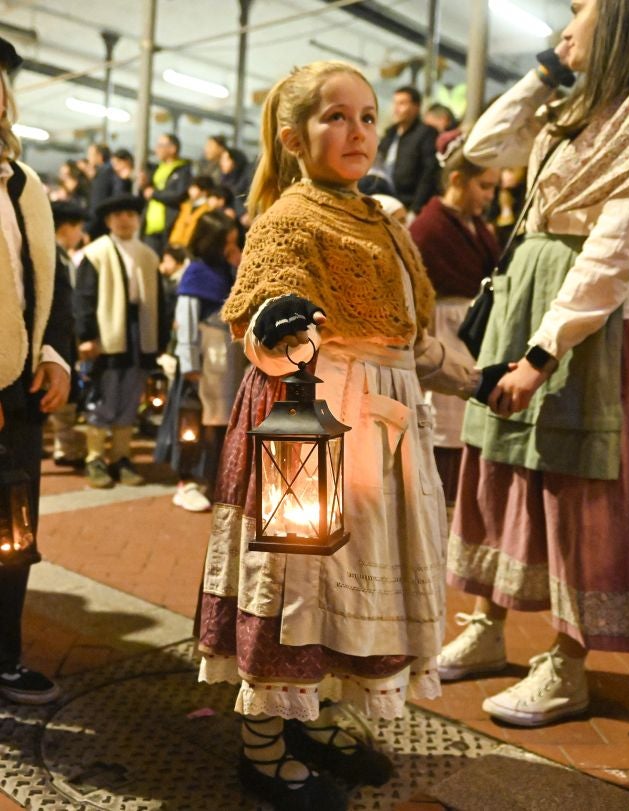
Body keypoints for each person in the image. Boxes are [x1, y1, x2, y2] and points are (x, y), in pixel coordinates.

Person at [193, 61, 478, 810]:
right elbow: (260, 302)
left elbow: (410, 333)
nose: (357, 131)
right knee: (298, 581)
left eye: (368, 116)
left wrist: (478, 372)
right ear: (294, 136)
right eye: (335, 117)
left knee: (349, 582)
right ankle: (263, 746)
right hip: (309, 413)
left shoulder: (382, 217)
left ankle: (306, 720)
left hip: (383, 418)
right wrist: (278, 320)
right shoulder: (289, 215)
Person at [439, 0, 629, 727]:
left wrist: (541, 352)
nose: (569, 18)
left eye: (583, 6)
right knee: (502, 464)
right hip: (532, 291)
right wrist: (544, 73)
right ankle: (486, 622)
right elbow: (483, 150)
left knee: (576, 485)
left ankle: (567, 659)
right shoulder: (579, 97)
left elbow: (618, 246)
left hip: (600, 317)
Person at [0, 35, 72, 704]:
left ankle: (3, 653)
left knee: (12, 533)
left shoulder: (25, 184)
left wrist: (53, 354)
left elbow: (47, 282)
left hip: (15, 395)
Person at [409, 130, 500, 499]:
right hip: (442, 330)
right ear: (458, 179)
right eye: (484, 186)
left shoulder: (476, 226)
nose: (490, 196)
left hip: (473, 329)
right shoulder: (428, 228)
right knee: (446, 421)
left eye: (494, 187)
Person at [74, 195, 165, 489]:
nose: (124, 219)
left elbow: (160, 304)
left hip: (140, 332)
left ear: (138, 219)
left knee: (130, 397)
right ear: (108, 221)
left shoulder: (148, 255)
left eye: (130, 214)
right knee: (104, 397)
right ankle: (96, 458)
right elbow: (84, 299)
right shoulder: (95, 252)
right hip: (108, 333)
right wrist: (87, 336)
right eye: (118, 215)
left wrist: (160, 341)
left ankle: (122, 458)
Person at [155, 211, 243, 513]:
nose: (231, 248)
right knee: (192, 421)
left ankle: (212, 478)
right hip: (201, 363)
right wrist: (190, 362)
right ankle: (187, 480)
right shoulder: (197, 273)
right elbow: (187, 321)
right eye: (226, 243)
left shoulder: (227, 270)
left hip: (226, 361)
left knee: (216, 423)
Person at [48, 201, 88, 468]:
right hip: (55, 337)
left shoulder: (59, 254)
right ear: (66, 228)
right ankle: (64, 446)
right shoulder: (56, 256)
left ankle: (61, 444)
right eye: (78, 229)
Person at [376, 85, 439, 214]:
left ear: (416, 107)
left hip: (408, 202)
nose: (396, 109)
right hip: (384, 199)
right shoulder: (390, 133)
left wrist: (416, 209)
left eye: (402, 103)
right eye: (395, 103)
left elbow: (429, 173)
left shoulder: (426, 133)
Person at [141, 133, 192, 256]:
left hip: (169, 226)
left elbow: (179, 195)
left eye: (160, 145)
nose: (157, 149)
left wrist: (154, 194)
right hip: (150, 226)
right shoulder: (156, 169)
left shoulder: (183, 171)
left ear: (173, 149)